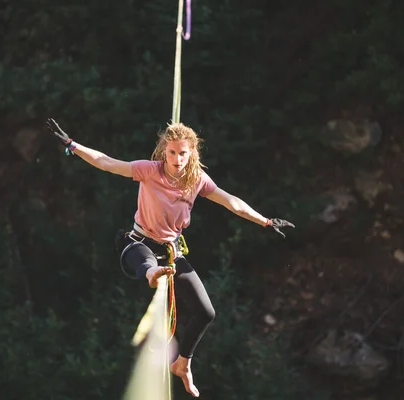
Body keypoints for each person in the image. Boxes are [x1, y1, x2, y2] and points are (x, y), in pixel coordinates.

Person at [46, 118, 295, 398]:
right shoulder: (149, 170)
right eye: (172, 152)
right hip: (139, 244)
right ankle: (154, 274)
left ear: (192, 154)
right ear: (164, 151)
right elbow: (107, 162)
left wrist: (265, 220)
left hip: (171, 252)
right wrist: (72, 145)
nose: (177, 159)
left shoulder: (197, 180)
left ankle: (183, 364)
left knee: (205, 313)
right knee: (149, 266)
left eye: (183, 153)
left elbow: (231, 202)